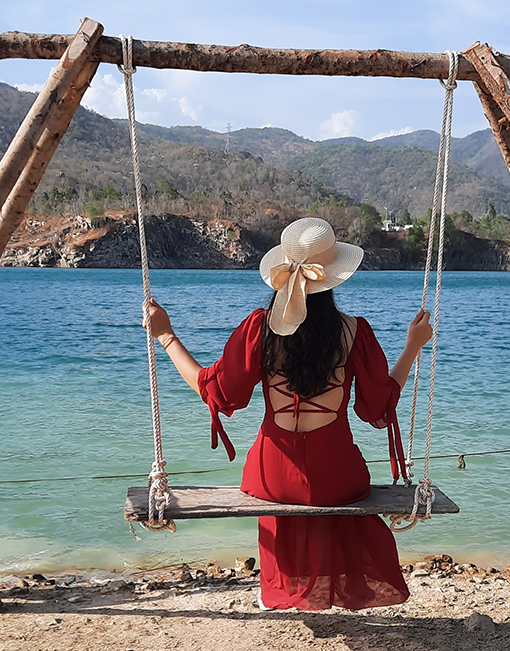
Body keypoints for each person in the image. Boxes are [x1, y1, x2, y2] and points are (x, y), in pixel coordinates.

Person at [143, 217, 433, 611]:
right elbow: (378, 408)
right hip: (338, 479)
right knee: (341, 492)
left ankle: (286, 588)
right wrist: (412, 346)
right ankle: (330, 585)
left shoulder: (259, 330)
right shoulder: (354, 333)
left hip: (271, 476)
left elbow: (217, 393)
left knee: (278, 490)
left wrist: (166, 336)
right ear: (334, 278)